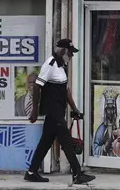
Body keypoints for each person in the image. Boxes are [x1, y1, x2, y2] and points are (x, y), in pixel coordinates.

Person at [24, 39, 96, 185]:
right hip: (53, 111)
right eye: (70, 53)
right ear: (62, 51)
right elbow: (37, 87)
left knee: (45, 143)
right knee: (66, 141)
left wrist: (74, 109)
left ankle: (31, 172)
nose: (71, 56)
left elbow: (66, 91)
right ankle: (77, 174)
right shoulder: (50, 64)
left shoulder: (61, 66)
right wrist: (34, 111)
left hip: (57, 112)